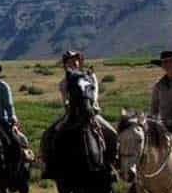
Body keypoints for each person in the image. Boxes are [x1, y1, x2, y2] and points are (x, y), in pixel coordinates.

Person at [41, 50, 116, 179]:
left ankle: (111, 164)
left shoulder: (90, 76)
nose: (74, 63)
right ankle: (51, 166)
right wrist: (67, 103)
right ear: (65, 65)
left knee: (112, 132)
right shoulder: (64, 82)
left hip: (92, 112)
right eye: (70, 61)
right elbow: (65, 98)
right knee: (49, 134)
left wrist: (90, 104)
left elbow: (95, 94)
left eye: (76, 60)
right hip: (72, 114)